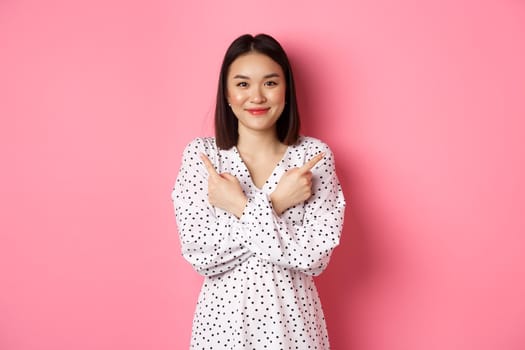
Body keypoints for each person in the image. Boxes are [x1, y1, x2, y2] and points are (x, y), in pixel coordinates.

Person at [171, 33, 346, 349]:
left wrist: (239, 206)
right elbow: (202, 255)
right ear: (226, 93)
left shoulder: (312, 158)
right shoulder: (203, 158)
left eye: (269, 83)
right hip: (222, 329)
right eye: (242, 84)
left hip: (295, 326)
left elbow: (314, 257)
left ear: (286, 90)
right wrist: (276, 203)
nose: (257, 96)